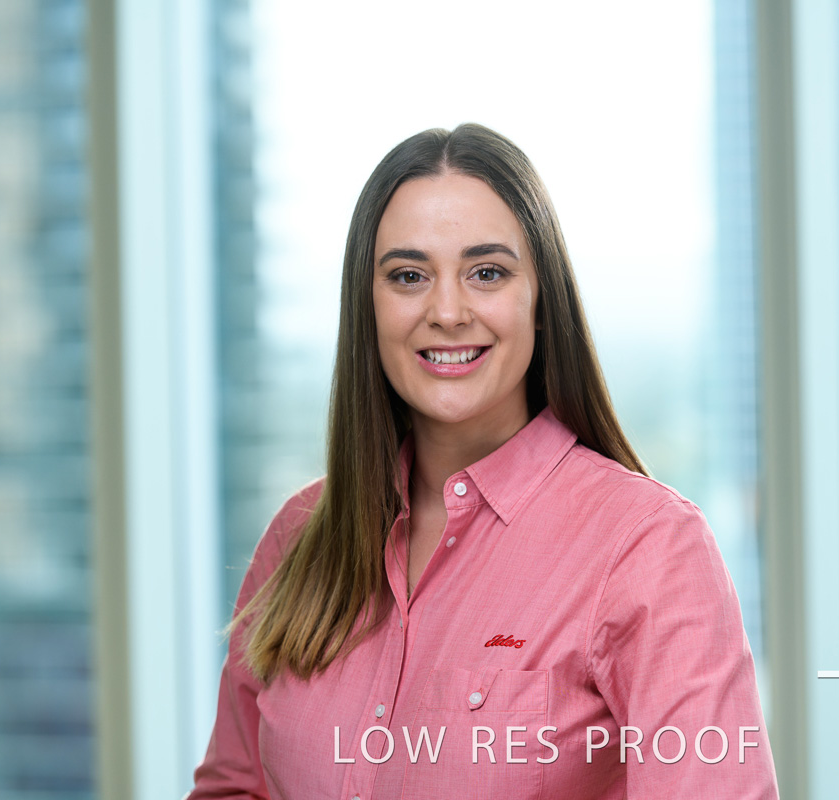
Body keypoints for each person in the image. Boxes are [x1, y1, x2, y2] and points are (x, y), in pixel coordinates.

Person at [188, 123, 778, 799]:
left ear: (541, 301)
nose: (447, 311)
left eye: (487, 273)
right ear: (366, 307)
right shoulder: (300, 535)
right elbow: (233, 787)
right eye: (409, 276)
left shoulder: (649, 548)